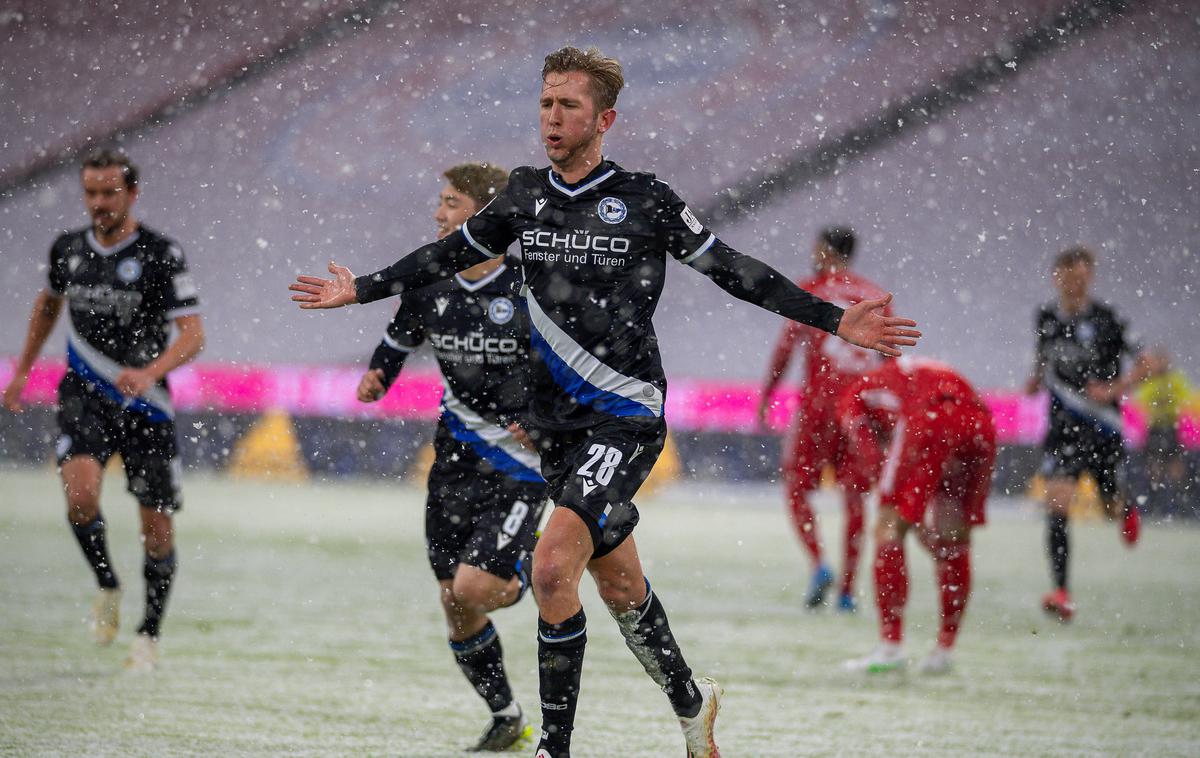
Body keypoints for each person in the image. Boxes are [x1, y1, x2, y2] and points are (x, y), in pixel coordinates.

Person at [290, 46, 920, 758]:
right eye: (545, 105)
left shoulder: (647, 199)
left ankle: (552, 750)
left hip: (625, 415)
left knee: (551, 566)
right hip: (554, 425)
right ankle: (692, 703)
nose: (552, 119)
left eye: (568, 106)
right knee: (620, 587)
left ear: (605, 118)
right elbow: (440, 257)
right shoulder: (522, 196)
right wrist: (362, 288)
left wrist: (834, 318)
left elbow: (732, 269)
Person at [355, 162, 545, 752]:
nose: (438, 215)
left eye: (451, 202)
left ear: (484, 216)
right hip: (457, 454)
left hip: (521, 463)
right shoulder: (431, 279)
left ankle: (533, 571)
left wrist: (543, 416)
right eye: (439, 202)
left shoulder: (531, 284)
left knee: (473, 587)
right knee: (453, 601)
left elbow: (570, 362)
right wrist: (378, 375)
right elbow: (400, 336)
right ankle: (507, 715)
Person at [2, 148, 205, 671]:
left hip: (146, 405)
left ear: (131, 193)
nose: (98, 203)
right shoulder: (68, 249)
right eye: (90, 192)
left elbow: (193, 335)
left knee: (156, 530)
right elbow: (48, 304)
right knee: (79, 498)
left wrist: (151, 371)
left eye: (108, 192)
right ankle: (107, 584)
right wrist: (24, 368)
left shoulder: (162, 253)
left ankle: (149, 636)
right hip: (85, 395)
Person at [756, 226, 889, 612]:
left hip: (818, 408)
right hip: (860, 409)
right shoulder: (874, 295)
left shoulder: (809, 289)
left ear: (826, 251)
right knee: (856, 500)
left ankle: (819, 564)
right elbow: (892, 356)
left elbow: (785, 348)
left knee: (797, 487)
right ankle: (847, 590)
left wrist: (767, 394)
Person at [837, 357, 995, 674]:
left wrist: (907, 514)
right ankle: (944, 651)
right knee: (953, 536)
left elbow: (874, 458)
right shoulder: (913, 371)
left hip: (931, 418)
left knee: (886, 528)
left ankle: (891, 646)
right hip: (979, 421)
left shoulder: (854, 395)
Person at [1024, 246, 1146, 622]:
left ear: (1090, 278)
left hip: (1102, 428)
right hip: (1063, 429)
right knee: (1057, 503)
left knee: (1108, 507)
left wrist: (1113, 390)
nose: (1074, 283)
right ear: (1056, 277)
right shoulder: (1045, 316)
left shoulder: (1108, 319)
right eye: (1068, 276)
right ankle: (1061, 591)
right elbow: (1044, 359)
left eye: (1081, 276)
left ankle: (1124, 508)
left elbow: (1147, 362)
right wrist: (1034, 379)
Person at [1133, 347, 1196, 516]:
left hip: (1171, 428)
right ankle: (1156, 506)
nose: (1160, 364)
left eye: (1163, 360)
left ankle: (1176, 506)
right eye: (1157, 361)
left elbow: (1187, 399)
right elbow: (1140, 404)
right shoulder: (1149, 381)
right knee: (1154, 469)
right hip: (1155, 430)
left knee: (1176, 468)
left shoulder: (1175, 380)